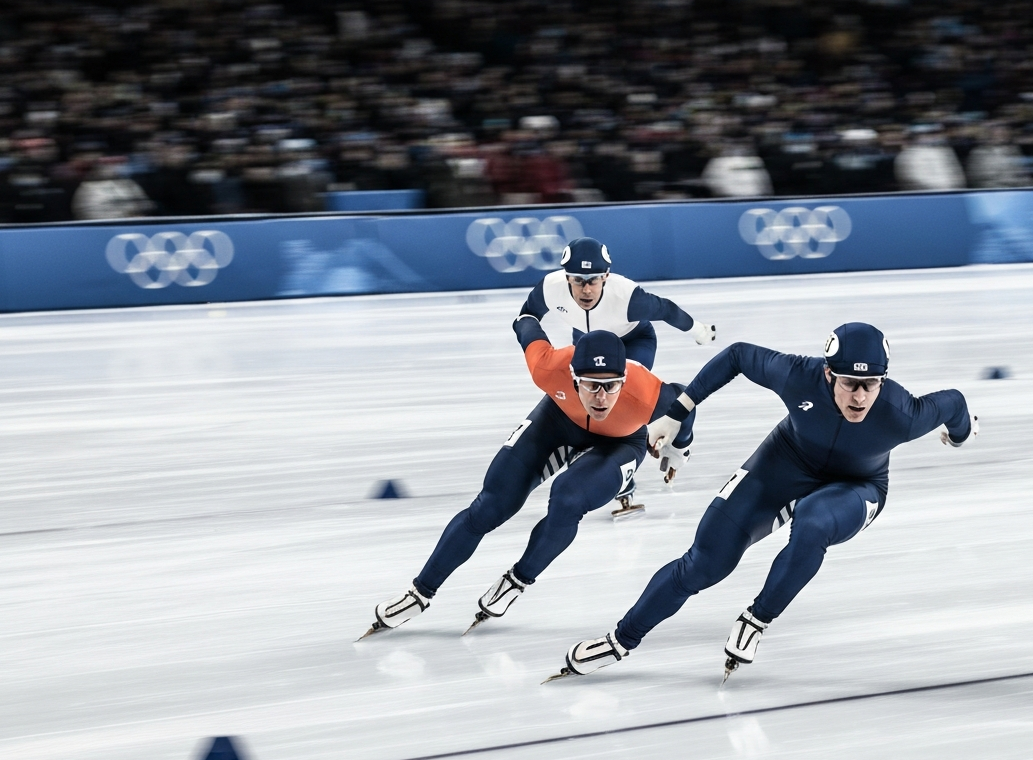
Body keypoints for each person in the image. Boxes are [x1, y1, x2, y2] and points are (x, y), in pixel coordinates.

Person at [548, 322, 976, 683]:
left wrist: (958, 435)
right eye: (850, 385)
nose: (860, 398)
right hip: (784, 461)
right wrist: (679, 410)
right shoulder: (797, 375)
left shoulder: (903, 413)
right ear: (829, 375)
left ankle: (757, 619)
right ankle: (621, 640)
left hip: (857, 484)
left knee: (813, 522)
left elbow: (954, 404)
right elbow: (736, 355)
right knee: (704, 562)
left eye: (870, 386)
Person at [359, 326, 696, 640]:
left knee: (567, 498)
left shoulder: (648, 392)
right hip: (557, 421)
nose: (601, 398)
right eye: (591, 385)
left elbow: (688, 405)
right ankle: (420, 592)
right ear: (572, 377)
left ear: (625, 379)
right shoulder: (549, 367)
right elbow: (526, 320)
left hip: (621, 442)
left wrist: (680, 447)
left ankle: (518, 579)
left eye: (611, 385)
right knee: (490, 506)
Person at [516, 235, 716, 513]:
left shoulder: (627, 298)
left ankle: (645, 458)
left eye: (593, 280)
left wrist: (700, 332)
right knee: (586, 395)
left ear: (606, 276)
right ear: (566, 277)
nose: (586, 290)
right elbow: (528, 315)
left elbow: (667, 310)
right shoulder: (551, 288)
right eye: (578, 280)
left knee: (620, 399)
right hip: (587, 340)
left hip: (632, 342)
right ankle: (604, 460)